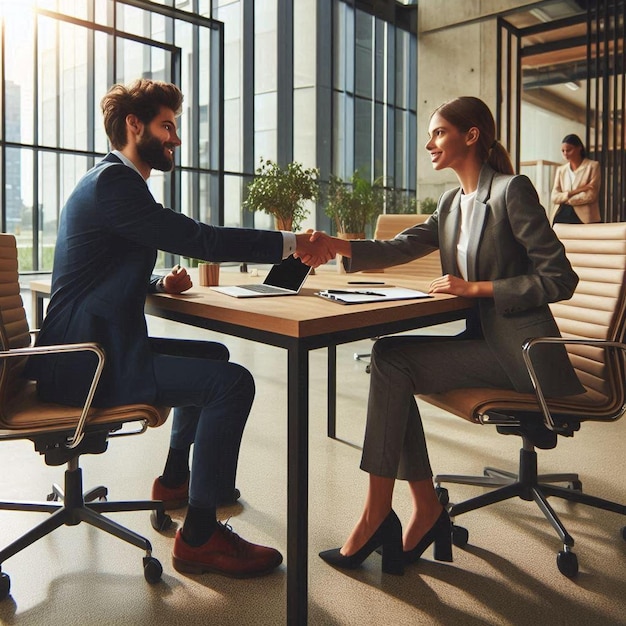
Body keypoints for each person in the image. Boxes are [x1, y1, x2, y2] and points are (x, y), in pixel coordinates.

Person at [26, 78, 333, 579]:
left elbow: (99, 264)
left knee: (212, 356)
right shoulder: (114, 184)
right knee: (233, 384)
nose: (176, 139)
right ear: (134, 125)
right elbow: (200, 238)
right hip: (86, 362)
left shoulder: (107, 182)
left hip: (88, 346)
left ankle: (174, 481)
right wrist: (294, 241)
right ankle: (200, 536)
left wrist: (155, 279)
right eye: (167, 126)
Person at [300, 96, 584, 575]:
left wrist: (476, 287)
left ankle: (381, 515)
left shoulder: (512, 191)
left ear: (470, 135)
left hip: (523, 354)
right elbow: (401, 244)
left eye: (438, 132)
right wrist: (335, 245)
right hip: (484, 342)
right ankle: (419, 508)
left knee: (392, 362)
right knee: (390, 358)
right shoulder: (452, 202)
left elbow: (560, 278)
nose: (429, 142)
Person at [550, 133, 601, 224]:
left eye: (569, 150)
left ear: (579, 148)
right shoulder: (561, 170)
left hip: (584, 217)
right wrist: (574, 192)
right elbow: (554, 197)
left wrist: (567, 200)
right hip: (561, 214)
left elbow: (591, 195)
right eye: (563, 151)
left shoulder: (592, 166)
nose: (565, 153)